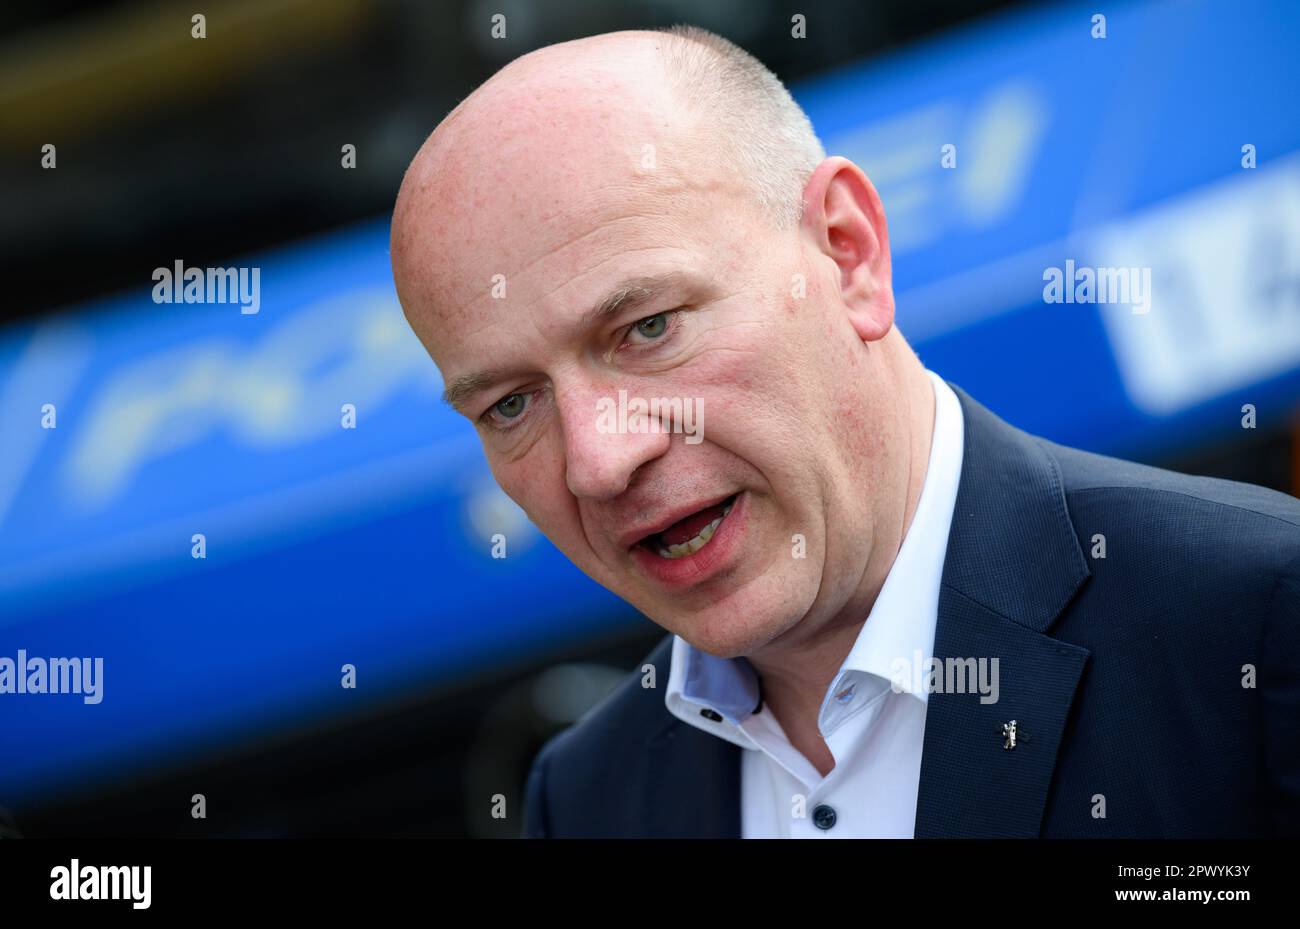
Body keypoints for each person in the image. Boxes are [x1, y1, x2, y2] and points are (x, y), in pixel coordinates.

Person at [389, 25, 1300, 837]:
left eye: (649, 327)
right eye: (510, 404)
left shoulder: (1256, 625)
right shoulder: (584, 802)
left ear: (847, 251)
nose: (598, 458)